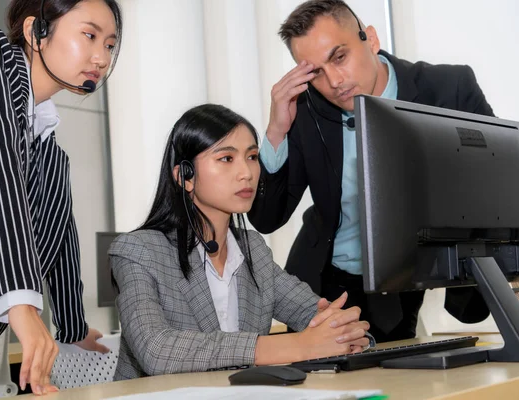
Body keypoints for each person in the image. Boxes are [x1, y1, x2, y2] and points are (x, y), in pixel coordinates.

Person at [247, 0, 498, 342]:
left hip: (398, 287)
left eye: (339, 57)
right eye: (315, 72)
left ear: (372, 39)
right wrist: (276, 130)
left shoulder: (446, 89)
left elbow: (502, 180)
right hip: (321, 290)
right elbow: (267, 218)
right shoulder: (303, 111)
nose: (334, 81)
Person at [0, 0, 122, 397]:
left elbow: (60, 236)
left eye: (109, 44)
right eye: (89, 35)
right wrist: (21, 303)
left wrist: (73, 325)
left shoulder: (48, 151)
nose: (100, 57)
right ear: (35, 31)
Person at [110, 104, 372, 379]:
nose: (246, 172)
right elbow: (157, 351)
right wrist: (294, 345)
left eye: (252, 157)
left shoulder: (253, 250)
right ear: (185, 176)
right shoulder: (138, 251)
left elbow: (313, 312)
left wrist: (345, 330)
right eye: (226, 158)